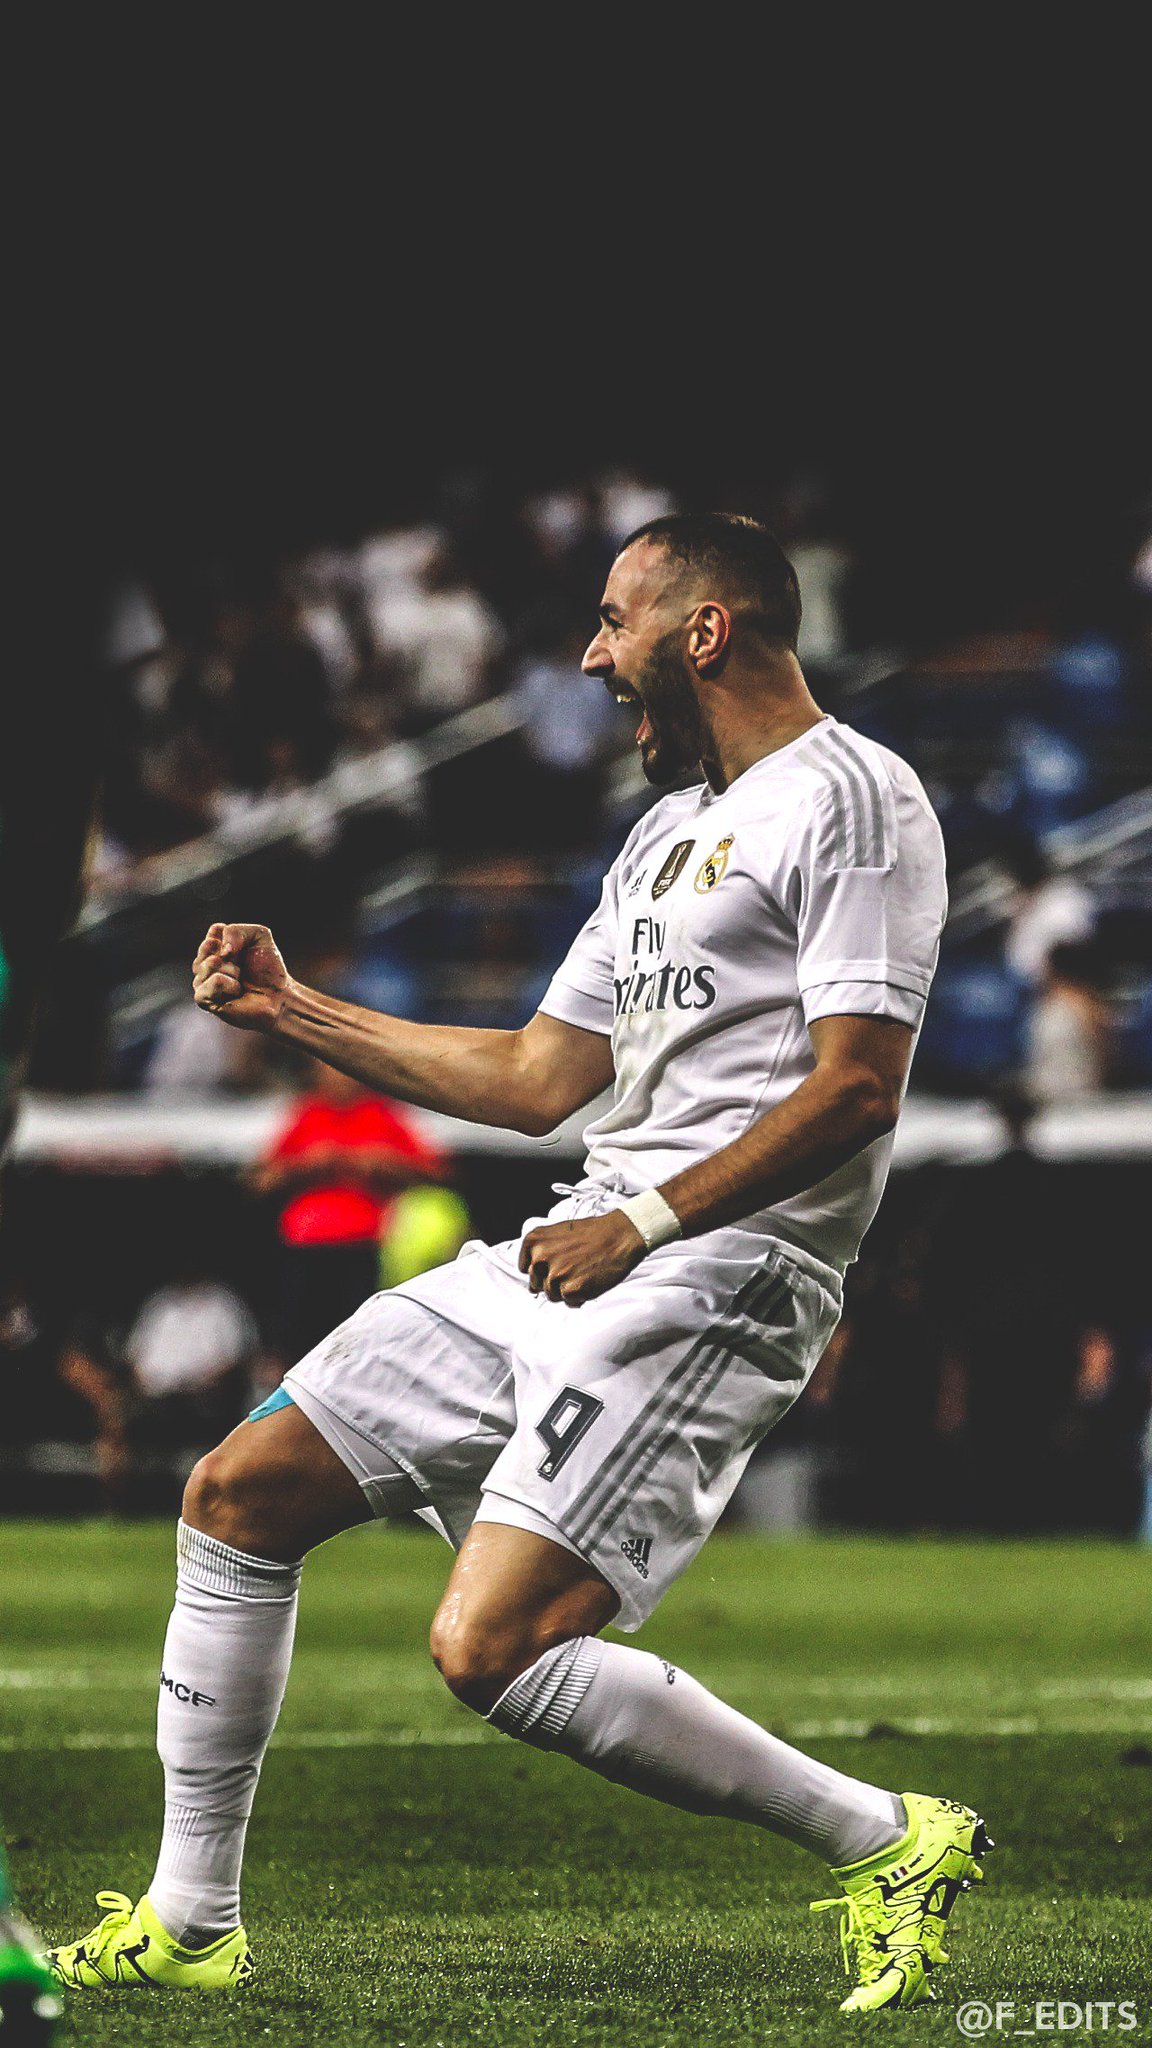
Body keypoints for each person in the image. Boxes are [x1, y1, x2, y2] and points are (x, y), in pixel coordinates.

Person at [50, 514, 988, 2016]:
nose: (590, 656)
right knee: (238, 1493)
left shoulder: (856, 796)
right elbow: (542, 1075)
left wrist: (650, 1219)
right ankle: (190, 1917)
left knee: (492, 1646)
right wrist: (299, 1011)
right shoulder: (665, 832)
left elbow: (859, 1086)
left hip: (718, 1271)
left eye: (615, 621)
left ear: (704, 631)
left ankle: (887, 1836)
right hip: (585, 1236)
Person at [250, 1057, 454, 1359]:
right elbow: (259, 1182)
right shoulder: (306, 1113)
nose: (339, 1076)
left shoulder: (384, 1114)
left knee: (358, 1343)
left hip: (363, 1247)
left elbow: (440, 1174)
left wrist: (387, 1165)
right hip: (304, 1249)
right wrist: (304, 1165)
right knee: (301, 1345)